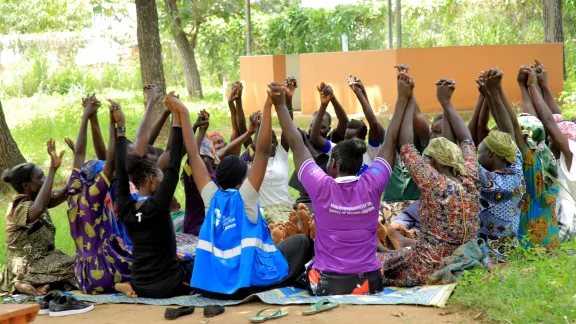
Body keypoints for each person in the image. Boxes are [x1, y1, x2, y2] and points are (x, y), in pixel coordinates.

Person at [173, 89, 313, 300]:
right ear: (242, 181)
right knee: (302, 241)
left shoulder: (211, 196)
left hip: (211, 286)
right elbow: (263, 151)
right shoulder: (245, 197)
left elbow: (193, 153)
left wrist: (182, 113)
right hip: (244, 285)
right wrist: (268, 104)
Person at [280, 71, 407, 295]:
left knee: (303, 265)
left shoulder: (321, 186)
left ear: (335, 166)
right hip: (370, 283)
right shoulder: (372, 183)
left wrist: (280, 104)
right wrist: (403, 98)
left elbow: (296, 143)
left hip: (327, 285)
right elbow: (391, 141)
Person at [378, 77, 480, 287]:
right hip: (461, 257)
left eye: (426, 159)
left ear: (432, 160)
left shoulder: (434, 183)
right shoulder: (470, 176)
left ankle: (390, 251)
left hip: (430, 263)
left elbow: (405, 147)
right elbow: (467, 140)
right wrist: (447, 102)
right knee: (398, 254)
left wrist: (404, 99)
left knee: (373, 263)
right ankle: (398, 247)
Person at [114, 93, 193, 298]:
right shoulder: (158, 205)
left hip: (140, 284)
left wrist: (120, 127)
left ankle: (123, 284)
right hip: (169, 285)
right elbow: (174, 163)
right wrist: (177, 118)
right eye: (160, 175)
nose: (162, 177)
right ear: (151, 179)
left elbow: (120, 173)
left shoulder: (125, 208)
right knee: (201, 261)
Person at [65, 95, 133, 295]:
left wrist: (86, 117)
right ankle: (117, 284)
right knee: (150, 267)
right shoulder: (94, 195)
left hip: (82, 275)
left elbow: (78, 154)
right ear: (97, 178)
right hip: (105, 270)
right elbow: (110, 161)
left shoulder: (73, 190)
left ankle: (116, 284)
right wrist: (116, 124)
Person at [1, 140, 75, 296]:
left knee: (83, 264)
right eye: (40, 177)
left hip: (46, 258)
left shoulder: (39, 199)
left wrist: (78, 156)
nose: (45, 179)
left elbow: (67, 190)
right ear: (27, 185)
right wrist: (53, 169)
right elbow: (39, 208)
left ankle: (36, 283)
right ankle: (21, 281)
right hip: (28, 264)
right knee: (80, 267)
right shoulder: (17, 207)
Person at [474, 69, 525, 260]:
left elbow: (464, 138)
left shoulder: (490, 183)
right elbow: (508, 131)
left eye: (479, 152)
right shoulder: (516, 169)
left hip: (490, 255)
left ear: (489, 153)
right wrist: (491, 93)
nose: (476, 156)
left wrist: (446, 104)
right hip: (510, 250)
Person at [525, 61, 574, 242]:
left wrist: (532, 87)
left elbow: (548, 122)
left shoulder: (572, 156)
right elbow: (552, 120)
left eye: (555, 136)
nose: (549, 137)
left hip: (563, 224)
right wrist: (542, 86)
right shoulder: (559, 154)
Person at [515, 65, 560, 249]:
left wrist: (495, 94)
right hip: (551, 240)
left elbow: (545, 122)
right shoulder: (547, 160)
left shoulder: (532, 167)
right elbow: (539, 124)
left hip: (529, 245)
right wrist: (528, 86)